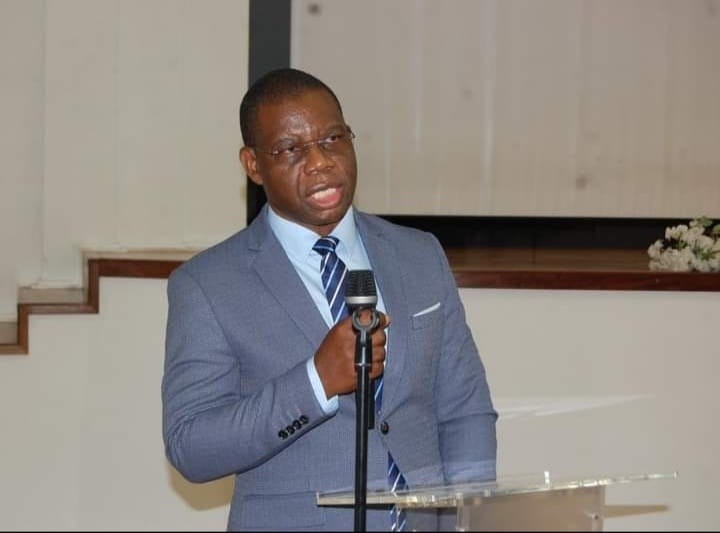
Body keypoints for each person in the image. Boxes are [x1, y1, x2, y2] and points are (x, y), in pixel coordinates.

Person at [162, 67, 497, 531]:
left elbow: (465, 411)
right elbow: (192, 448)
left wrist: (469, 520)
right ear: (253, 165)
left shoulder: (419, 256)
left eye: (333, 138)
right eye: (290, 149)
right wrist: (316, 381)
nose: (320, 161)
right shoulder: (207, 284)